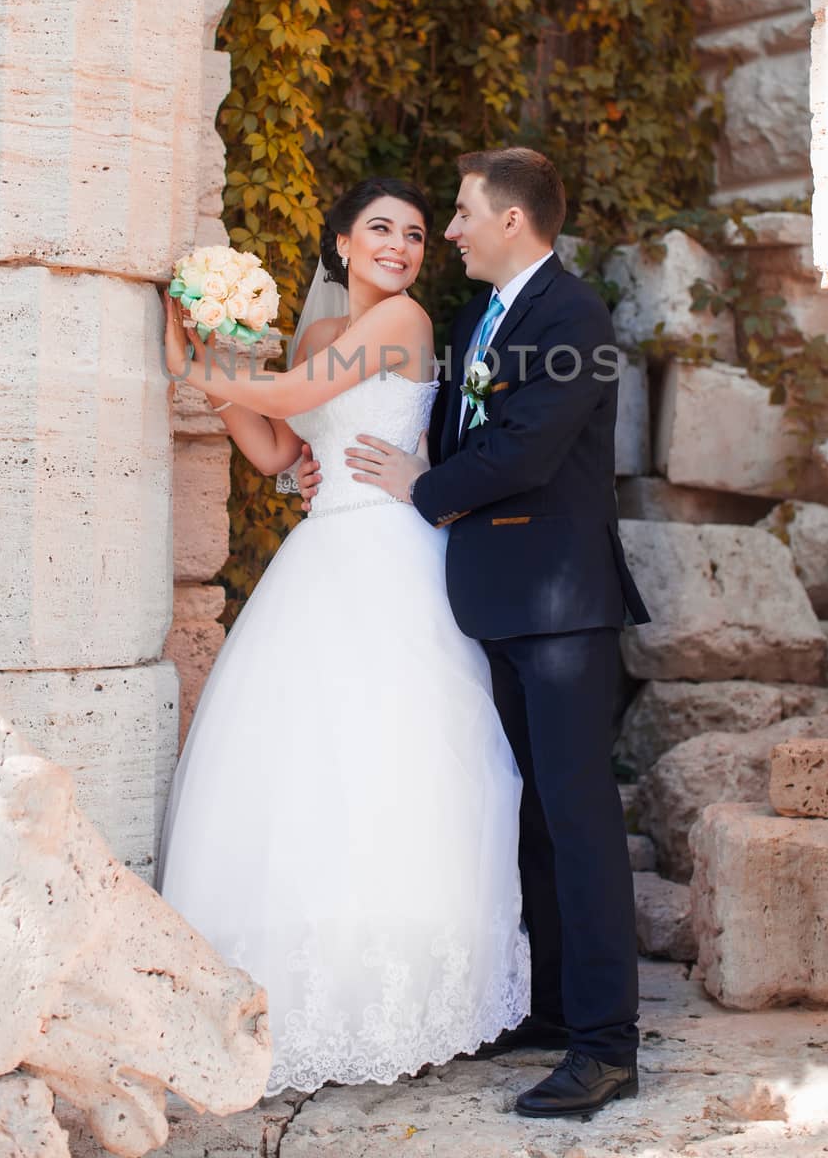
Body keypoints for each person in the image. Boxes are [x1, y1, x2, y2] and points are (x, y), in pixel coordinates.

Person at [156, 177, 529, 1098]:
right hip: (319, 555)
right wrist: (215, 364)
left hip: (387, 555)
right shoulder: (324, 336)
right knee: (298, 770)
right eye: (380, 231)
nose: (401, 247)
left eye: (412, 233)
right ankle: (282, 993)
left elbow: (281, 389)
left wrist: (190, 360)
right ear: (340, 243)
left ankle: (388, 1000)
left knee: (385, 766)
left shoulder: (402, 322)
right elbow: (278, 449)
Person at [300, 147, 650, 1118]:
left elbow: (524, 448)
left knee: (578, 823)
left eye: (458, 214)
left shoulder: (571, 315)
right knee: (528, 814)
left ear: (511, 220)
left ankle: (605, 1045)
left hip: (560, 605)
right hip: (489, 602)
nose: (445, 232)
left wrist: (421, 487)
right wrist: (357, 461)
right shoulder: (474, 319)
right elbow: (445, 432)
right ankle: (547, 1007)